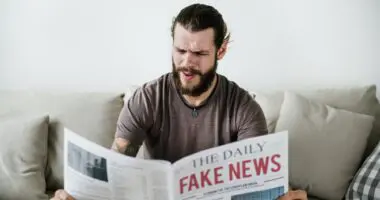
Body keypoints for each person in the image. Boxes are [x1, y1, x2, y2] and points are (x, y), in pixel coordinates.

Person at [51, 3, 307, 200]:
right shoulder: (147, 99)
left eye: (199, 53)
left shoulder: (244, 109)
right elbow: (114, 170)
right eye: (180, 50)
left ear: (221, 51)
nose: (187, 63)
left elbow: (258, 184)